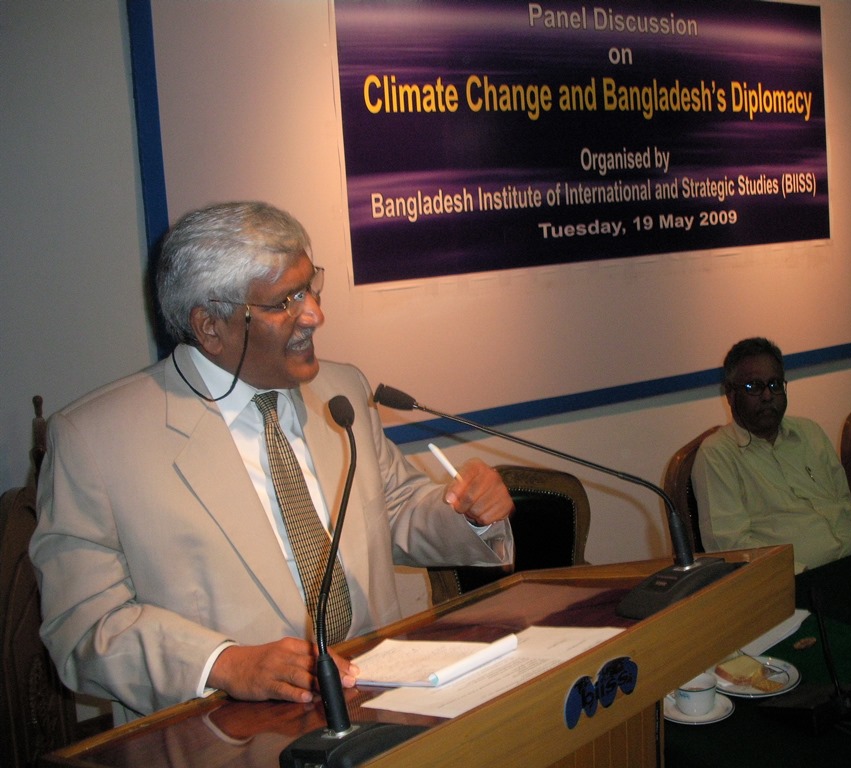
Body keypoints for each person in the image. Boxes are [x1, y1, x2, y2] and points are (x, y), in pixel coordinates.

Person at [29, 201, 514, 720]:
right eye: (287, 301)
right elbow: (84, 627)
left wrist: (467, 511)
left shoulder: (342, 389)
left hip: (380, 701)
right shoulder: (95, 440)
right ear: (209, 326)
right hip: (224, 733)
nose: (315, 315)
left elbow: (394, 507)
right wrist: (225, 664)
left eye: (311, 287)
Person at [691, 337, 851, 573]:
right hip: (795, 581)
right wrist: (800, 575)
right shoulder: (717, 455)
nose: (768, 396)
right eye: (754, 387)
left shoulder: (809, 433)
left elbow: (845, 505)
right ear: (730, 394)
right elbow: (731, 547)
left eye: (775, 384)